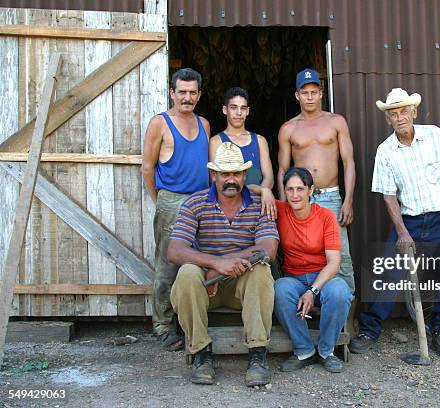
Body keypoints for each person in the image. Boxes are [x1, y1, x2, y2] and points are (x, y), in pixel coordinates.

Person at [349, 88, 440, 360]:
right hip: (409, 221)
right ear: (388, 119)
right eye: (393, 113)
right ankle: (370, 330)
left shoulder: (435, 135)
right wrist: (402, 232)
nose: (400, 117)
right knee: (390, 274)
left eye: (404, 111)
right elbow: (388, 196)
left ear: (414, 112)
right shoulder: (385, 151)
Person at [167, 142, 279, 386]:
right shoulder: (195, 203)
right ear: (213, 175)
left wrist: (225, 264)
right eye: (225, 173)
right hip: (207, 287)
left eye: (237, 173)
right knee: (186, 272)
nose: (231, 179)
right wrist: (216, 264)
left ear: (245, 175)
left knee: (260, 269)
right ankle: (201, 354)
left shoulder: (260, 205)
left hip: (242, 286)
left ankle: (258, 354)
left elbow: (268, 249)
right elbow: (175, 250)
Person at [141, 68, 210, 352]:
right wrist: (160, 201)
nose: (187, 97)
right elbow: (147, 166)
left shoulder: (205, 124)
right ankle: (163, 325)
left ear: (199, 95)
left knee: (199, 260)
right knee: (168, 264)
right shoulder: (160, 123)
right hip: (172, 200)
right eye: (181, 91)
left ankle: (192, 320)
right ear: (172, 92)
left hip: (202, 200)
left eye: (193, 92)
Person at [277, 68, 356, 293]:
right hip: (299, 198)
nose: (309, 97)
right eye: (305, 93)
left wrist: (347, 200)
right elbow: (283, 170)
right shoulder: (288, 128)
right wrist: (284, 206)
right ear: (297, 96)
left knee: (341, 255)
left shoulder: (336, 122)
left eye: (314, 91)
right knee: (299, 250)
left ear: (321, 93)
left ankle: (347, 317)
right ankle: (302, 305)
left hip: (331, 195)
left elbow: (348, 162)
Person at [273, 167, 352, 373]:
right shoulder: (280, 210)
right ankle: (304, 350)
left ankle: (327, 352)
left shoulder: (325, 216)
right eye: (290, 189)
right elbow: (250, 191)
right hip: (295, 279)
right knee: (279, 289)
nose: (295, 195)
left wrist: (313, 291)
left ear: (311, 190)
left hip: (323, 278)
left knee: (340, 292)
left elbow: (333, 263)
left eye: (300, 188)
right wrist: (264, 191)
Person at [209, 87, 276, 218]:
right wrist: (257, 191)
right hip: (227, 205)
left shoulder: (260, 140)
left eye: (243, 108)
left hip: (257, 205)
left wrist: (264, 190)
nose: (239, 113)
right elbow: (214, 178)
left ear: (248, 111)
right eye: (233, 107)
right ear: (225, 110)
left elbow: (269, 177)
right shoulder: (216, 141)